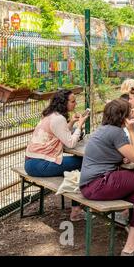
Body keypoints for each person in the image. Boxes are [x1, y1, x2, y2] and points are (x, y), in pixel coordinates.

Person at [80, 99, 134, 256]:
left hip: (93, 186)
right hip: (100, 184)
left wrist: (123, 157)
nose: (132, 115)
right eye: (129, 113)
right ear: (122, 116)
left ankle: (130, 247)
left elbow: (119, 155)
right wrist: (131, 130)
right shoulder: (116, 132)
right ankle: (129, 216)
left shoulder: (104, 129)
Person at [25, 89, 89, 221]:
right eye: (72, 101)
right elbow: (70, 143)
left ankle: (76, 207)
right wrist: (80, 125)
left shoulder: (51, 115)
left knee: (77, 162)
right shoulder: (58, 119)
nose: (75, 104)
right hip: (40, 164)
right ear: (63, 103)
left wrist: (71, 123)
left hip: (32, 162)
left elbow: (61, 134)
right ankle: (76, 209)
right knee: (84, 162)